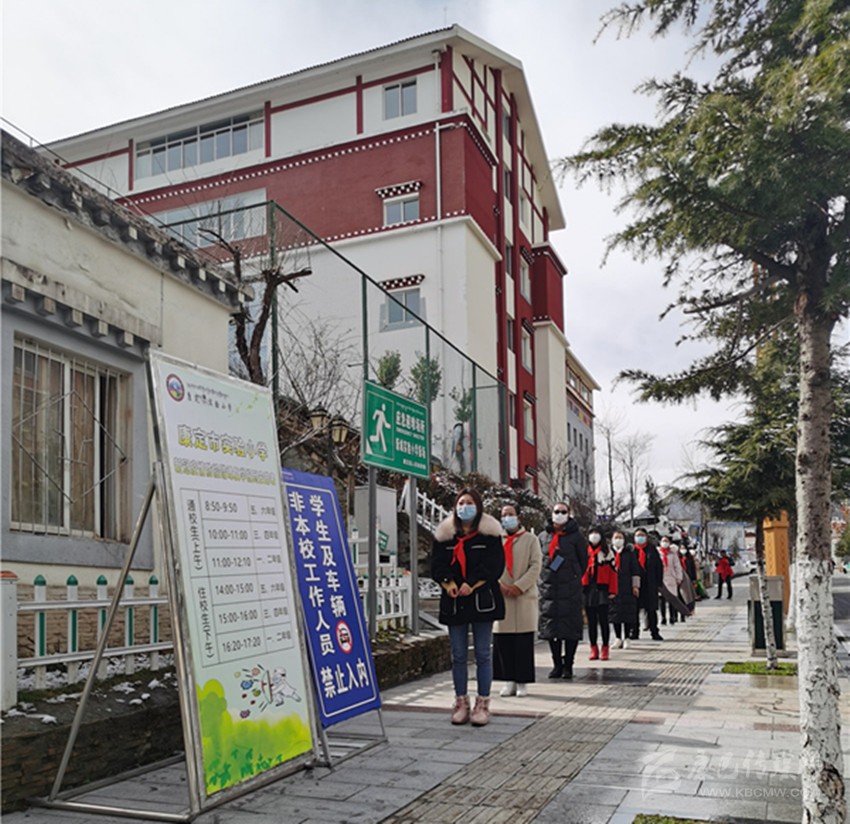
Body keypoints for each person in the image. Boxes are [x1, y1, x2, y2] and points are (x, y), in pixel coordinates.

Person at [431, 488, 505, 726]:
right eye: (461, 502)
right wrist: (449, 582)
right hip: (454, 601)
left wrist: (471, 583)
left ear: (478, 506)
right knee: (459, 655)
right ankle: (460, 701)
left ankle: (482, 703)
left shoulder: (490, 534)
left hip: (481, 599)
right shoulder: (444, 535)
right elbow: (437, 565)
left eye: (469, 502)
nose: (465, 506)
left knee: (483, 653)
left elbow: (495, 565)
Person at [493, 504, 541, 698]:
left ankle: (522, 682)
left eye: (510, 514)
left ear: (519, 517)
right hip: (502, 595)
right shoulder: (496, 540)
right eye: (504, 515)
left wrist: (519, 586)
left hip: (524, 597)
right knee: (503, 642)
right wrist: (500, 585)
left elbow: (535, 566)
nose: (507, 518)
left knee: (523, 643)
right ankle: (508, 680)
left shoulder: (530, 539)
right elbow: (489, 566)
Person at [538, 502, 587, 679]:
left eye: (563, 512)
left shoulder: (576, 537)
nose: (559, 514)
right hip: (549, 588)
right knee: (552, 628)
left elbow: (583, 561)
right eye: (556, 511)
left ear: (568, 514)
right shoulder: (543, 536)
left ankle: (568, 664)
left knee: (570, 628)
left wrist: (574, 575)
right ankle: (557, 664)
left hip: (570, 588)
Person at [582, 526, 617, 660]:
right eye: (592, 533)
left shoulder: (607, 552)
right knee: (591, 622)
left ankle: (605, 648)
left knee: (604, 621)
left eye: (597, 533)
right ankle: (593, 648)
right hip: (588, 589)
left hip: (603, 589)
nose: (594, 536)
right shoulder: (584, 551)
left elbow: (613, 573)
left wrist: (613, 590)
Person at [610, 530, 641, 648]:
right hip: (613, 586)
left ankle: (627, 637)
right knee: (615, 613)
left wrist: (635, 585)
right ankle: (618, 637)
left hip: (627, 586)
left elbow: (635, 570)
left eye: (620, 537)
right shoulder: (609, 553)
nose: (618, 540)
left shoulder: (629, 553)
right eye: (616, 537)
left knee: (628, 613)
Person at [634, 528, 664, 641]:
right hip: (636, 584)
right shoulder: (632, 550)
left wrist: (658, 583)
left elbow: (659, 567)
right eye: (638, 535)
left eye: (642, 535)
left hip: (650, 584)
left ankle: (654, 631)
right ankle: (634, 631)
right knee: (635, 610)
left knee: (651, 609)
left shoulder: (652, 550)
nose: (640, 538)